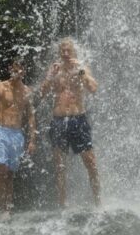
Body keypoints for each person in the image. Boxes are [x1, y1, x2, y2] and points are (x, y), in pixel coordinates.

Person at [40, 38, 101, 207]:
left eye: (69, 51)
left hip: (78, 119)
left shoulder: (81, 68)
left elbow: (93, 88)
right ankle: (62, 205)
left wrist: (80, 70)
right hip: (59, 120)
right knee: (60, 167)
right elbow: (42, 93)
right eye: (63, 51)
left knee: (91, 164)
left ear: (74, 52)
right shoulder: (55, 70)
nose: (66, 54)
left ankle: (98, 203)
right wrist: (50, 76)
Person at [0, 60, 36, 220]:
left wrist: (32, 140)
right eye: (14, 69)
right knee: (1, 170)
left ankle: (9, 209)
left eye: (20, 69)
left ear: (24, 72)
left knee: (11, 174)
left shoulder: (27, 91)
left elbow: (31, 116)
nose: (17, 72)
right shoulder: (0, 86)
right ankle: (1, 209)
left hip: (17, 134)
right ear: (10, 70)